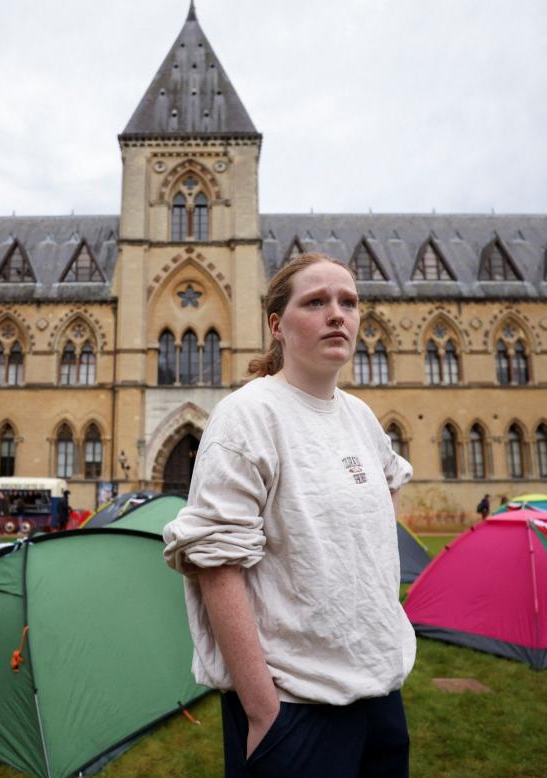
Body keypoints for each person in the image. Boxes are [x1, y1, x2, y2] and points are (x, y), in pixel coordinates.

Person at [163, 253, 414, 778]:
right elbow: (214, 561)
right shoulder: (248, 415)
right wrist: (263, 711)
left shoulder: (361, 417)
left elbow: (389, 482)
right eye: (316, 302)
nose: (337, 314)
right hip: (294, 710)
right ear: (277, 325)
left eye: (348, 302)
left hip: (380, 696)